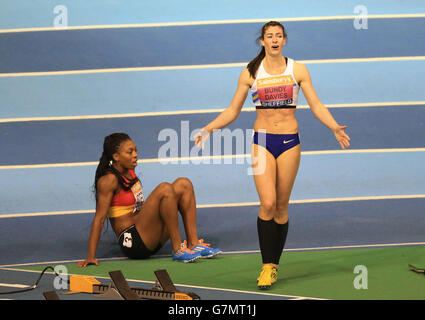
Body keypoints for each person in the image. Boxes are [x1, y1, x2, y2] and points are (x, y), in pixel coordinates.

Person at [194, 21, 350, 289]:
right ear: (263, 41)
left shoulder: (298, 70)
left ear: (284, 40)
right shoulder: (250, 72)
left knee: (281, 207)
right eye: (270, 36)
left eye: (279, 35)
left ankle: (274, 265)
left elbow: (315, 103)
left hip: (290, 142)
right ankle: (266, 267)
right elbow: (232, 110)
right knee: (267, 203)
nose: (275, 40)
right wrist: (209, 128)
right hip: (262, 142)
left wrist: (333, 126)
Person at [78, 133, 222, 267]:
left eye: (135, 150)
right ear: (116, 157)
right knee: (165, 188)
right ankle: (178, 249)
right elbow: (99, 219)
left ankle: (193, 243)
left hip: (147, 232)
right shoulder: (108, 180)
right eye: (130, 152)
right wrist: (91, 256)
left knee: (184, 184)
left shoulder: (129, 171)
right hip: (134, 243)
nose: (135, 155)